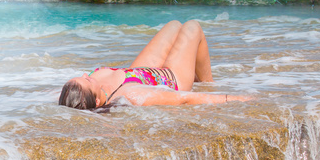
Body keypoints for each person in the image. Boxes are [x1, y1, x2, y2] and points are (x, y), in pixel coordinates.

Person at [58, 20, 251, 109]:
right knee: (193, 27)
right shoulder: (129, 95)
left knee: (174, 25)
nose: (85, 75)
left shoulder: (77, 92)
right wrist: (233, 98)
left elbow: (61, 100)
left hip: (139, 72)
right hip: (172, 79)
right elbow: (183, 99)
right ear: (98, 102)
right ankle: (208, 81)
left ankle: (196, 69)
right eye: (87, 80)